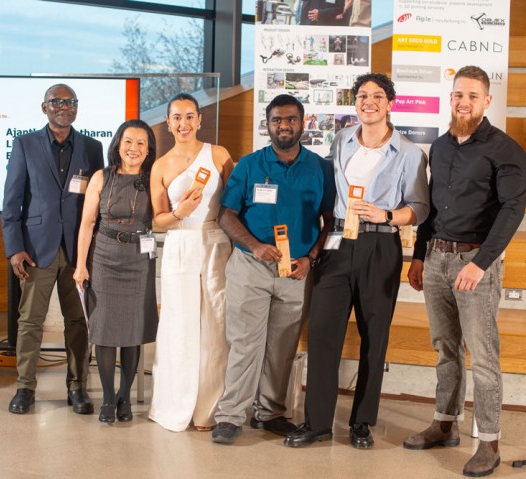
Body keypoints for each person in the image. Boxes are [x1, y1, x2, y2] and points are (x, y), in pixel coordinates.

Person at [285, 73, 429, 449]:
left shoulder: (411, 153)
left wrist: (385, 215)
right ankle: (317, 422)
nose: (369, 101)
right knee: (321, 332)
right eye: (363, 95)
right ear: (355, 102)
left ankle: (362, 422)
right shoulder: (342, 139)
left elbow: (420, 207)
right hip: (337, 245)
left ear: (389, 102)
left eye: (377, 96)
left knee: (374, 338)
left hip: (380, 248)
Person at [402, 66, 526, 477]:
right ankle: (444, 422)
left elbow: (512, 211)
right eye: (458, 94)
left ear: (487, 101)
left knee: (484, 356)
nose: (463, 102)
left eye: (472, 96)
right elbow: (431, 208)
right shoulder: (438, 147)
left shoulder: (505, 149)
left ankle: (489, 441)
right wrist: (419, 255)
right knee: (445, 348)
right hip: (437, 258)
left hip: (476, 263)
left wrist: (480, 263)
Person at [211, 94, 335, 445]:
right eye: (277, 120)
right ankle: (230, 415)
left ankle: (269, 412)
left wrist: (310, 259)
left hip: (295, 272)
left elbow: (330, 221)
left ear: (303, 122)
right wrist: (253, 245)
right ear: (268, 124)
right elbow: (226, 215)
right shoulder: (249, 165)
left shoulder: (320, 168)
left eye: (291, 119)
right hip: (251, 266)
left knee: (283, 346)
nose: (284, 126)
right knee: (245, 343)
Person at [2, 84, 104, 415]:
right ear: (44, 107)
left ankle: (77, 388)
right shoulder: (25, 144)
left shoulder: (92, 147)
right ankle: (25, 388)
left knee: (78, 322)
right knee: (30, 321)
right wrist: (14, 248)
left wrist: (92, 254)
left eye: (70, 102)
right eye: (57, 102)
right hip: (35, 250)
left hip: (78, 252)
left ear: (76, 108)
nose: (64, 107)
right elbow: (12, 201)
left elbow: (96, 203)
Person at [148, 93, 234, 432]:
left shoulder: (219, 154)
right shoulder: (161, 165)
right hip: (180, 243)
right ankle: (175, 405)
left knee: (216, 323)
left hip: (215, 242)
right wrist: (177, 213)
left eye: (189, 116)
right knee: (179, 325)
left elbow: (236, 199)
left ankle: (209, 410)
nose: (183, 124)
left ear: (199, 120)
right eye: (176, 118)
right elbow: (157, 220)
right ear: (168, 123)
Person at [73, 119, 159, 423]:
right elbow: (86, 224)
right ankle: (108, 400)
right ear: (117, 144)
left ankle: (126, 398)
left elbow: (163, 217)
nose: (133, 149)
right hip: (105, 256)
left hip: (139, 259)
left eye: (140, 143)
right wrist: (81, 265)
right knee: (106, 331)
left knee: (133, 333)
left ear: (148, 150)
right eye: (128, 141)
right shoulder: (101, 177)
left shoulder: (154, 178)